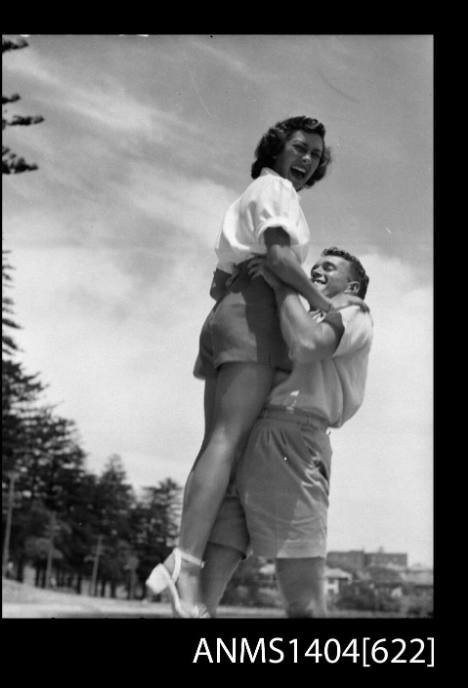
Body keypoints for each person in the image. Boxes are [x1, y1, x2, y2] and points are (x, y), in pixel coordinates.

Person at [146, 117, 361, 617]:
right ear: (276, 148)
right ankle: (184, 564)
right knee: (226, 443)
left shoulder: (249, 195)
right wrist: (321, 303)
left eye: (315, 155)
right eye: (300, 148)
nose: (307, 160)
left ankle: (188, 566)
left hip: (227, 315)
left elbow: (219, 284)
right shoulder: (277, 189)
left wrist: (257, 278)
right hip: (256, 320)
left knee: (218, 445)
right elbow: (283, 260)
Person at [199, 247, 373, 617]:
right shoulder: (299, 311)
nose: (317, 270)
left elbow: (310, 345)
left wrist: (283, 289)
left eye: (330, 267)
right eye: (315, 266)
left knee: (304, 601)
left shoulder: (352, 310)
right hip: (252, 434)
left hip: (293, 439)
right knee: (200, 597)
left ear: (352, 285)